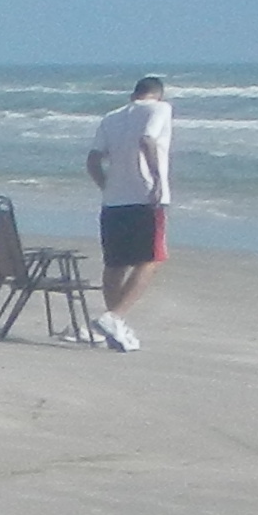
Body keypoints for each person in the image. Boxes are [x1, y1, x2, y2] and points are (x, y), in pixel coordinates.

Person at [88, 77, 172, 336]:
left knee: (115, 264)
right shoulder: (160, 108)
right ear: (157, 94)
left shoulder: (111, 117)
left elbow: (93, 160)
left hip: (114, 201)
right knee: (151, 259)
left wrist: (106, 186)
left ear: (133, 94)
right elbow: (147, 139)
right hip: (145, 198)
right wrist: (157, 180)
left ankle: (114, 325)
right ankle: (115, 317)